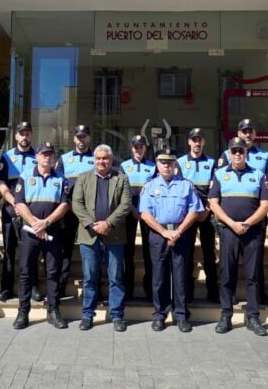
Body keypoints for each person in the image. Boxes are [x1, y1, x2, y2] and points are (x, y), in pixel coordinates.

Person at [209, 137, 268, 337]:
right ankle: (226, 315)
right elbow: (213, 203)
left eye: (241, 151)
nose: (237, 154)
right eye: (234, 151)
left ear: (246, 153)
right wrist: (232, 223)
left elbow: (266, 204)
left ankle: (253, 317)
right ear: (228, 153)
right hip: (228, 231)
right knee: (227, 274)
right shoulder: (219, 174)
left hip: (252, 231)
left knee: (253, 276)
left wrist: (248, 223)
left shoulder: (258, 174)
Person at [139, 148, 204, 333]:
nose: (166, 166)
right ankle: (160, 314)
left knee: (181, 275)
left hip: (181, 235)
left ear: (175, 164)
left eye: (170, 162)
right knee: (158, 277)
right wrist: (164, 232)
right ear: (157, 165)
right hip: (158, 235)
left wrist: (179, 231)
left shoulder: (186, 185)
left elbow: (194, 210)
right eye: (162, 162)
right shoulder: (149, 186)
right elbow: (145, 213)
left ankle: (181, 315)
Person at [72, 145, 132, 331]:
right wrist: (92, 224)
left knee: (116, 277)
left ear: (111, 160)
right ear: (94, 160)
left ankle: (117, 316)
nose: (101, 161)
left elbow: (126, 204)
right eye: (98, 158)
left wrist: (108, 223)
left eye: (105, 158)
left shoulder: (121, 178)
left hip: (113, 235)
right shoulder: (83, 178)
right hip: (89, 236)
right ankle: (87, 315)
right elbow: (77, 204)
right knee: (90, 277)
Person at [12, 141, 70, 329]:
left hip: (52, 231)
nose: (47, 157)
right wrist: (36, 224)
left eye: (50, 154)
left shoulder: (61, 178)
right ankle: (23, 312)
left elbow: (65, 205)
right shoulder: (25, 176)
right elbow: (19, 203)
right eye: (44, 154)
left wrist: (46, 223)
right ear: (36, 156)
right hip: (30, 233)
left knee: (53, 273)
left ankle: (53, 311)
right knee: (26, 272)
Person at [218, 118, 268, 304]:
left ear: (255, 134)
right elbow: (220, 186)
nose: (248, 134)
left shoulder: (265, 156)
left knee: (255, 260)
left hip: (256, 215)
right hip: (230, 221)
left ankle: (258, 297)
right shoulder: (226, 155)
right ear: (238, 134)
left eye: (251, 131)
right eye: (244, 131)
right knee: (229, 265)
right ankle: (230, 297)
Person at [0, 121, 38, 302]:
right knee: (9, 249)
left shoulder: (39, 156)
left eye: (27, 133)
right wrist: (14, 203)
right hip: (11, 210)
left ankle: (33, 286)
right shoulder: (6, 157)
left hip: (32, 212)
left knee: (32, 250)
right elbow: (1, 183)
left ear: (31, 136)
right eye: (21, 133)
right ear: (16, 136)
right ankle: (6, 288)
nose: (24, 136)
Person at [176, 128, 219, 303]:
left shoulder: (212, 162)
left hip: (207, 212)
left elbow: (215, 188)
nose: (197, 143)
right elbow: (179, 189)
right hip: (188, 214)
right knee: (187, 253)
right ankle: (187, 292)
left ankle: (213, 291)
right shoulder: (179, 162)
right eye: (194, 140)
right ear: (189, 142)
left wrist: (207, 209)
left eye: (200, 140)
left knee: (209, 253)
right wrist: (192, 212)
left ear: (204, 142)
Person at [56, 124, 95, 297]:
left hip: (90, 212)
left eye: (84, 136)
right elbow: (57, 185)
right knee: (65, 249)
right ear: (74, 139)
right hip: (69, 211)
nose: (81, 139)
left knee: (93, 249)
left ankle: (93, 291)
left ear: (89, 138)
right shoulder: (64, 159)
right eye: (78, 136)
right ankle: (61, 287)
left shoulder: (97, 158)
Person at [120, 135, 157, 301]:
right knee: (128, 252)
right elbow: (121, 191)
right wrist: (133, 209)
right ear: (131, 148)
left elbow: (155, 192)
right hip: (129, 212)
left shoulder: (153, 167)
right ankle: (128, 288)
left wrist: (143, 211)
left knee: (149, 252)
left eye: (141, 146)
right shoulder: (124, 166)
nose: (138, 149)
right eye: (135, 146)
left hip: (147, 214)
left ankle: (149, 288)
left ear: (145, 148)